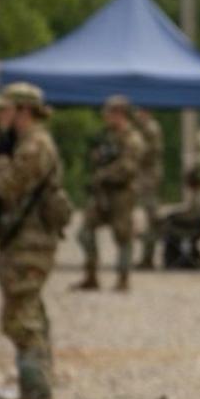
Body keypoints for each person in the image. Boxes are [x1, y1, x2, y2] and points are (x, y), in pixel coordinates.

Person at [0, 82, 70, 399]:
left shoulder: (33, 147)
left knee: (21, 318)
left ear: (23, 111)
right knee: (30, 311)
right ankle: (37, 386)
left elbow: (5, 188)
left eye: (5, 110)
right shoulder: (29, 143)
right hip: (26, 240)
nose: (0, 118)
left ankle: (37, 396)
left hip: (30, 242)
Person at [73, 94, 144, 292]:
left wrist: (105, 173)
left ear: (120, 114)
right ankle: (91, 275)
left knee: (123, 236)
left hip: (121, 194)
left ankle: (123, 278)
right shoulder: (107, 136)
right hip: (102, 193)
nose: (106, 117)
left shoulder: (133, 139)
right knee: (84, 232)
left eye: (109, 113)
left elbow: (128, 167)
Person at [160, 167, 200, 269]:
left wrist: (175, 217)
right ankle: (183, 260)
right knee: (170, 223)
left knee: (168, 230)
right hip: (196, 226)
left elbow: (194, 216)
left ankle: (174, 261)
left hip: (193, 228)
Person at [133, 107, 164, 270]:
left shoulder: (151, 129)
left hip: (148, 179)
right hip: (145, 177)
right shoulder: (144, 128)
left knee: (151, 220)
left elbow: (150, 152)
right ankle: (146, 257)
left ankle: (148, 258)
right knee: (147, 220)